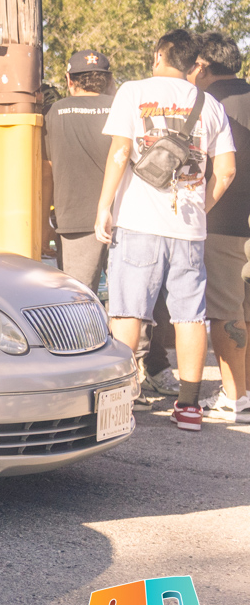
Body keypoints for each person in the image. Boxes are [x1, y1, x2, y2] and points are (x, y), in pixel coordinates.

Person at [94, 28, 237, 432]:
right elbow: (226, 171)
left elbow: (121, 151)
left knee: (127, 311)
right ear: (194, 63)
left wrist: (104, 206)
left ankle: (120, 402)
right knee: (189, 316)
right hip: (188, 228)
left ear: (159, 55)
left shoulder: (133, 91)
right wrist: (200, 209)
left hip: (137, 220)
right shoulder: (210, 105)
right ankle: (189, 407)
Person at [190, 31, 250, 423]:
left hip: (223, 221)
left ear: (202, 65)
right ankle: (245, 390)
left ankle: (234, 396)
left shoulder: (208, 105)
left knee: (227, 310)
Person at [45, 49, 116, 290]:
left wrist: (43, 222)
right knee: (128, 302)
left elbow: (46, 172)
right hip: (122, 219)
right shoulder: (122, 109)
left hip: (74, 222)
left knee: (78, 298)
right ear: (108, 80)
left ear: (69, 79)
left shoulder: (55, 112)